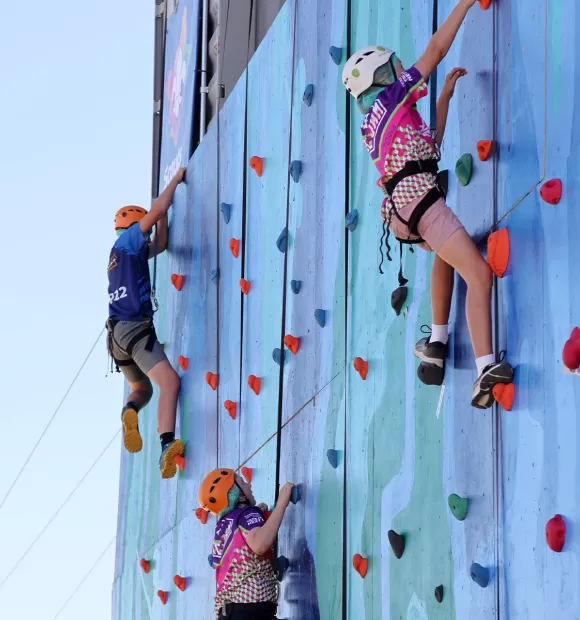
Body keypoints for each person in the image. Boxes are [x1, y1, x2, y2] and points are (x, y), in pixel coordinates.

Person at [342, 0, 513, 408]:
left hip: (404, 213)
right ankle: (484, 368)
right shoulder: (389, 101)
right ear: (380, 78)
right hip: (422, 204)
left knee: (446, 258)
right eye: (393, 68)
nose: (401, 71)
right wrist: (466, 3)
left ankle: (436, 342)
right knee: (478, 274)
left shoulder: (382, 122)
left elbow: (429, 150)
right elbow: (435, 49)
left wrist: (447, 99)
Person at [106, 167, 186, 477]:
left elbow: (162, 245)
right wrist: (172, 184)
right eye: (145, 230)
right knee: (170, 383)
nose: (148, 235)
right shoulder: (129, 240)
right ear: (133, 226)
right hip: (135, 330)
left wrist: (161, 219)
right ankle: (167, 443)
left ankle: (130, 411)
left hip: (116, 338)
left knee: (143, 389)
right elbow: (157, 211)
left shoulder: (122, 255)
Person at [198, 468, 296, 619]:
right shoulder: (246, 513)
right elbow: (260, 544)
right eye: (243, 482)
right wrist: (282, 503)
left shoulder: (223, 527)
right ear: (237, 494)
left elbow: (243, 553)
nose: (249, 486)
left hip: (229, 613)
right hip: (249, 612)